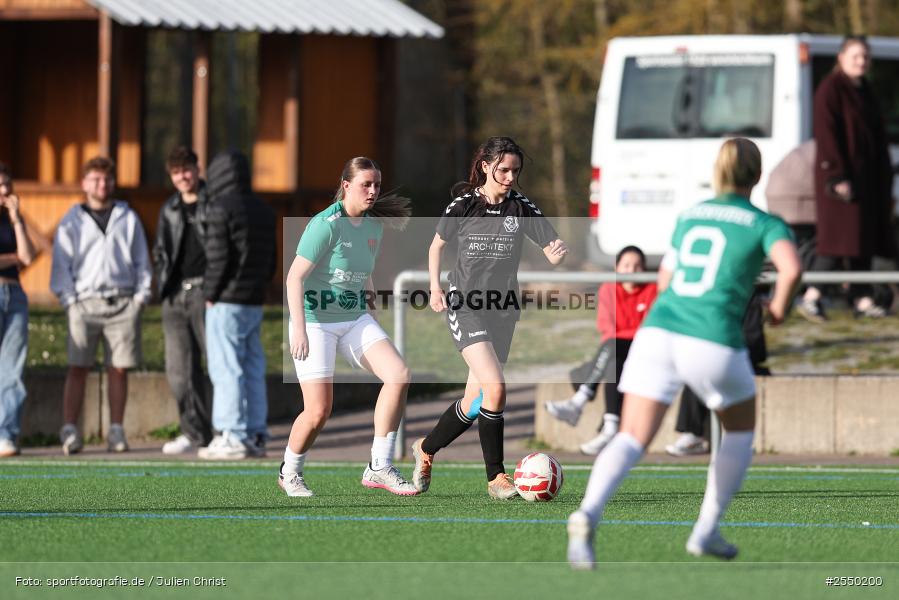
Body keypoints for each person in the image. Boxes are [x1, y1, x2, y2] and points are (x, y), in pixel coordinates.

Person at [566, 138, 801, 569]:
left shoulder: (690, 216)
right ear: (757, 174)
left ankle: (587, 512)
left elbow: (669, 278)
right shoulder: (764, 222)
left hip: (658, 330)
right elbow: (792, 268)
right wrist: (780, 309)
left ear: (717, 172)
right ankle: (706, 530)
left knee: (632, 436)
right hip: (711, 335)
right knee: (740, 433)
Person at [411, 136, 569, 499]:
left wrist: (558, 252)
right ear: (485, 166)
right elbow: (436, 245)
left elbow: (552, 250)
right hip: (465, 305)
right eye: (503, 170)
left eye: (515, 170)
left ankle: (426, 448)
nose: (510, 177)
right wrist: (435, 288)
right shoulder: (464, 205)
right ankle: (496, 477)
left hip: (503, 310)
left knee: (475, 401)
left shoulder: (521, 207)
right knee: (495, 388)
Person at [280, 157, 416, 497]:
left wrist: (371, 308)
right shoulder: (325, 225)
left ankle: (379, 465)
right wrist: (298, 327)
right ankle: (290, 471)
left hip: (354, 317)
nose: (372, 192)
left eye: (377, 186)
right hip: (315, 322)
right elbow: (294, 277)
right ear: (346, 186)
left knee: (398, 374)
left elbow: (362, 270)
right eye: (365, 185)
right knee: (318, 411)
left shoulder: (372, 225)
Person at [50, 156, 152, 455]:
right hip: (84, 302)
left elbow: (141, 261)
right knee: (78, 367)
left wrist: (140, 298)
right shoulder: (71, 220)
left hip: (122, 301)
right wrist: (70, 301)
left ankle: (116, 431)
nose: (101, 184)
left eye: (106, 179)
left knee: (118, 369)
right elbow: (61, 265)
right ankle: (70, 429)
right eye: (95, 179)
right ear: (84, 183)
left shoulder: (127, 216)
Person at [798, 35, 895, 322]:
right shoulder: (831, 90)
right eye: (855, 56)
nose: (861, 62)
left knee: (861, 240)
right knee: (836, 242)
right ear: (841, 58)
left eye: (865, 57)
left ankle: (862, 298)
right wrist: (836, 175)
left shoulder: (864, 90)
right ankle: (811, 296)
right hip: (840, 183)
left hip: (866, 180)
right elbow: (826, 135)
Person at [197, 150, 276, 460]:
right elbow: (271, 260)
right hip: (253, 299)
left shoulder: (219, 208)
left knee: (226, 366)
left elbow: (218, 259)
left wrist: (209, 292)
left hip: (226, 300)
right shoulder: (264, 210)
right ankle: (256, 433)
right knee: (253, 365)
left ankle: (231, 433)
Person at [544, 245, 657, 455]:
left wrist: (625, 336)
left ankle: (578, 402)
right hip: (617, 353)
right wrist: (625, 336)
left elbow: (648, 331)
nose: (631, 270)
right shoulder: (608, 289)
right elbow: (607, 328)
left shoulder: (653, 290)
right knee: (613, 361)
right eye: (626, 265)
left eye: (637, 266)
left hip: (645, 352)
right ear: (617, 268)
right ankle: (610, 427)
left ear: (644, 269)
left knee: (613, 349)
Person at [152, 146, 213, 455]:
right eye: (176, 173)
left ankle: (224, 430)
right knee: (179, 370)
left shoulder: (213, 203)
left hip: (207, 293)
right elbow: (161, 251)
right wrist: (164, 285)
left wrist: (215, 288)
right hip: (175, 295)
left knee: (216, 364)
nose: (183, 177)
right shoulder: (169, 209)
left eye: (187, 170)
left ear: (197, 169)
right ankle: (192, 432)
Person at [666, 290, 770, 456]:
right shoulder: (705, 299)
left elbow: (754, 340)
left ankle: (737, 439)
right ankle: (694, 434)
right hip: (710, 356)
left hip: (740, 356)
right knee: (697, 369)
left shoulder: (747, 297)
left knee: (723, 372)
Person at [0, 164, 36, 457]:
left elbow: (27, 255)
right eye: (0, 186)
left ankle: (6, 434)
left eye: (7, 185)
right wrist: (13, 257)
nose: (5, 191)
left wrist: (17, 219)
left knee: (12, 368)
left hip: (15, 294)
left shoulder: (13, 221)